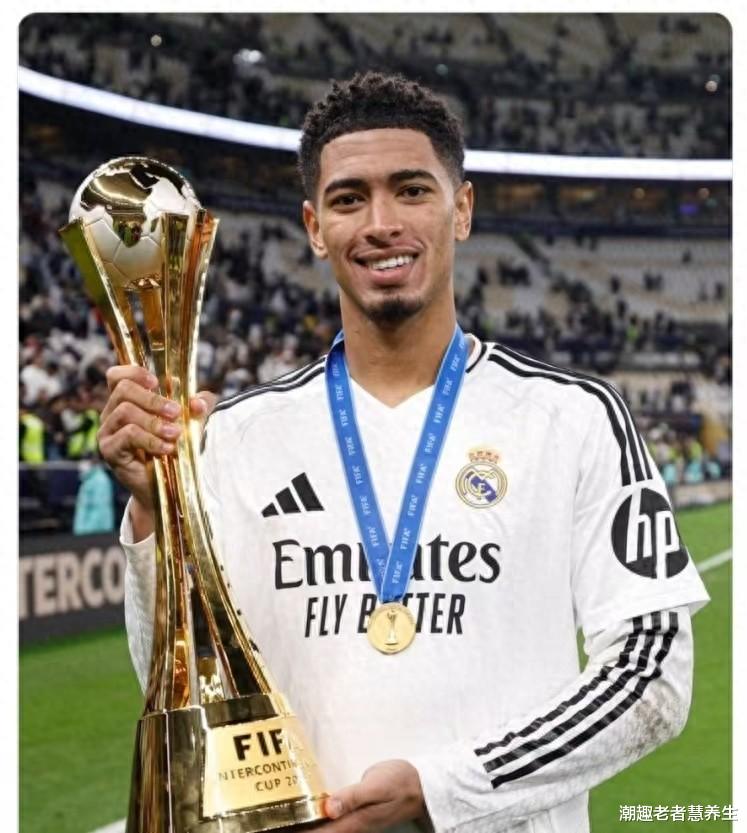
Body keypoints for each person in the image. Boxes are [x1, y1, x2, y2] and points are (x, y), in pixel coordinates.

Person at [99, 73, 709, 833]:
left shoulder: (575, 418)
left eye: (412, 190)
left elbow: (651, 675)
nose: (381, 223)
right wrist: (155, 510)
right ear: (314, 226)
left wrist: (442, 792)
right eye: (348, 199)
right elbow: (182, 685)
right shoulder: (233, 435)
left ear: (462, 209)